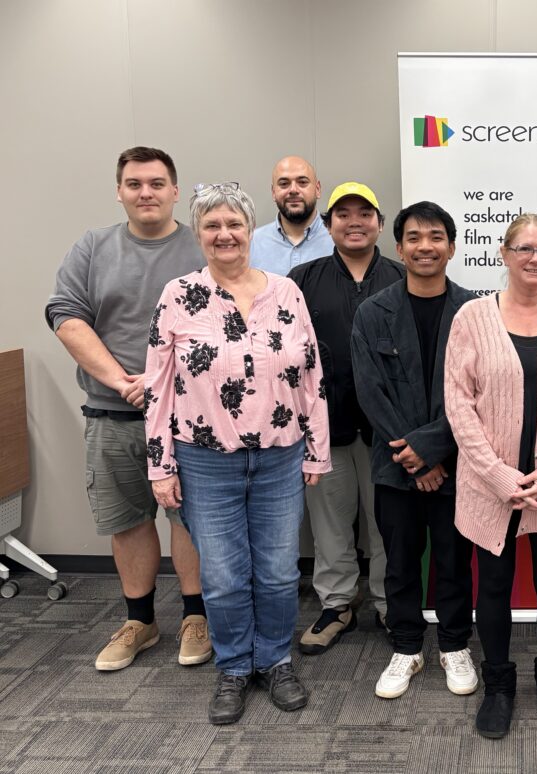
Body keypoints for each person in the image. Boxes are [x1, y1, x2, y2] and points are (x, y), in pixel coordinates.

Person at [144, 182, 331, 725]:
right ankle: (233, 667)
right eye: (212, 225)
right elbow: (158, 386)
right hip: (205, 460)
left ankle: (274, 660)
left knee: (277, 573)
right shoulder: (178, 295)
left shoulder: (286, 292)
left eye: (233, 224)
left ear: (250, 230)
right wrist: (160, 465)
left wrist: (317, 450)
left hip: (280, 457)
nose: (224, 234)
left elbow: (312, 375)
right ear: (198, 233)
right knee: (224, 577)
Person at [45, 146, 211, 672]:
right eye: (134, 184)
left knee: (189, 518)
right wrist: (122, 382)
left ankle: (196, 616)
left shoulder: (203, 244)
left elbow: (226, 325)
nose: (146, 193)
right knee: (129, 520)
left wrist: (163, 383)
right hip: (113, 412)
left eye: (157, 183)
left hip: (190, 417)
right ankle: (140, 621)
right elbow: (66, 316)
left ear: (175, 191)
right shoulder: (93, 247)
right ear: (119, 191)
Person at [445, 214, 537, 739]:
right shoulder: (471, 317)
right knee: (493, 585)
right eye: (524, 248)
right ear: (504, 253)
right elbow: (458, 404)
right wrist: (499, 476)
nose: (535, 258)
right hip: (489, 487)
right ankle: (499, 685)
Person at [352, 201, 477, 700]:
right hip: (394, 465)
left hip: (455, 464)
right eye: (414, 238)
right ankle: (406, 647)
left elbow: (481, 394)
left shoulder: (475, 312)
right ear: (399, 248)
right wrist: (415, 455)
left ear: (452, 246)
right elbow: (370, 391)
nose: (426, 247)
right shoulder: (372, 312)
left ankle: (454, 644)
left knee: (453, 560)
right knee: (400, 562)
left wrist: (432, 450)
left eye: (436, 237)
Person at [289, 182, 404, 651]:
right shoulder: (302, 279)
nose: (354, 222)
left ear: (379, 223)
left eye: (365, 213)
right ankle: (337, 604)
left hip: (388, 431)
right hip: (325, 427)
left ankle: (390, 604)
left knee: (387, 524)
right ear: (328, 223)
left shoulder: (402, 277)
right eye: (343, 214)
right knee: (330, 523)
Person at [250, 155, 334, 275]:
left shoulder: (337, 240)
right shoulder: (252, 243)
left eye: (302, 182)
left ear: (317, 189)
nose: (293, 190)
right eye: (284, 184)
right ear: (273, 192)